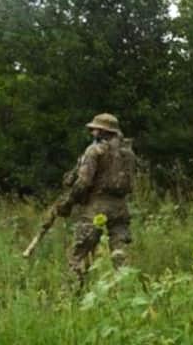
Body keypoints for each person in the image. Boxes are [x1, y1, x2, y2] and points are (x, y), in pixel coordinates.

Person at [57, 113, 135, 286]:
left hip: (96, 209)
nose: (92, 133)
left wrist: (68, 203)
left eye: (94, 129)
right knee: (120, 258)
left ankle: (70, 297)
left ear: (101, 131)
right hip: (121, 209)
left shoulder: (94, 150)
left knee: (78, 254)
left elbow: (83, 182)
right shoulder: (128, 153)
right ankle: (126, 291)